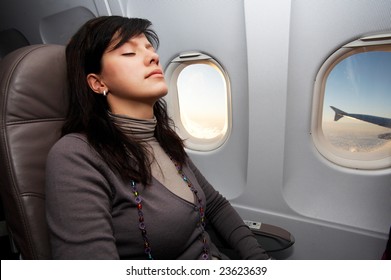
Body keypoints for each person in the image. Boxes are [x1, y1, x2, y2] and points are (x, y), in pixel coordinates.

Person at [45, 15, 270, 260]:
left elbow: (215, 205)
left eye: (150, 49)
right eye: (129, 53)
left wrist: (259, 261)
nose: (153, 57)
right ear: (97, 82)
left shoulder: (163, 139)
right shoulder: (75, 156)